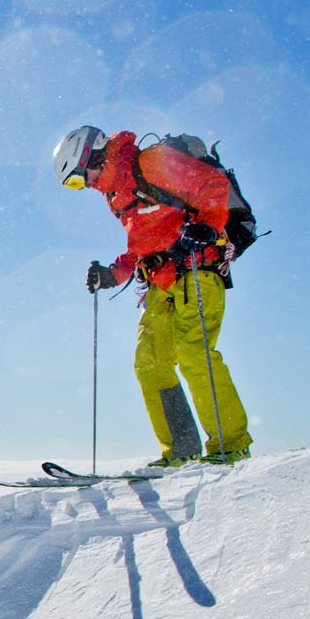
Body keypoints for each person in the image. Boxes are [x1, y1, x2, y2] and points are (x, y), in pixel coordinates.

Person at [53, 125, 253, 466]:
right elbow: (142, 246)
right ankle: (181, 450)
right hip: (160, 282)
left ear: (91, 157)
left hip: (196, 269)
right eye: (74, 185)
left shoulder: (151, 163)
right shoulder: (116, 195)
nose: (83, 186)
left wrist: (206, 225)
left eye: (77, 178)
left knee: (194, 354)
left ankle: (230, 446)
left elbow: (213, 186)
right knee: (150, 364)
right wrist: (113, 274)